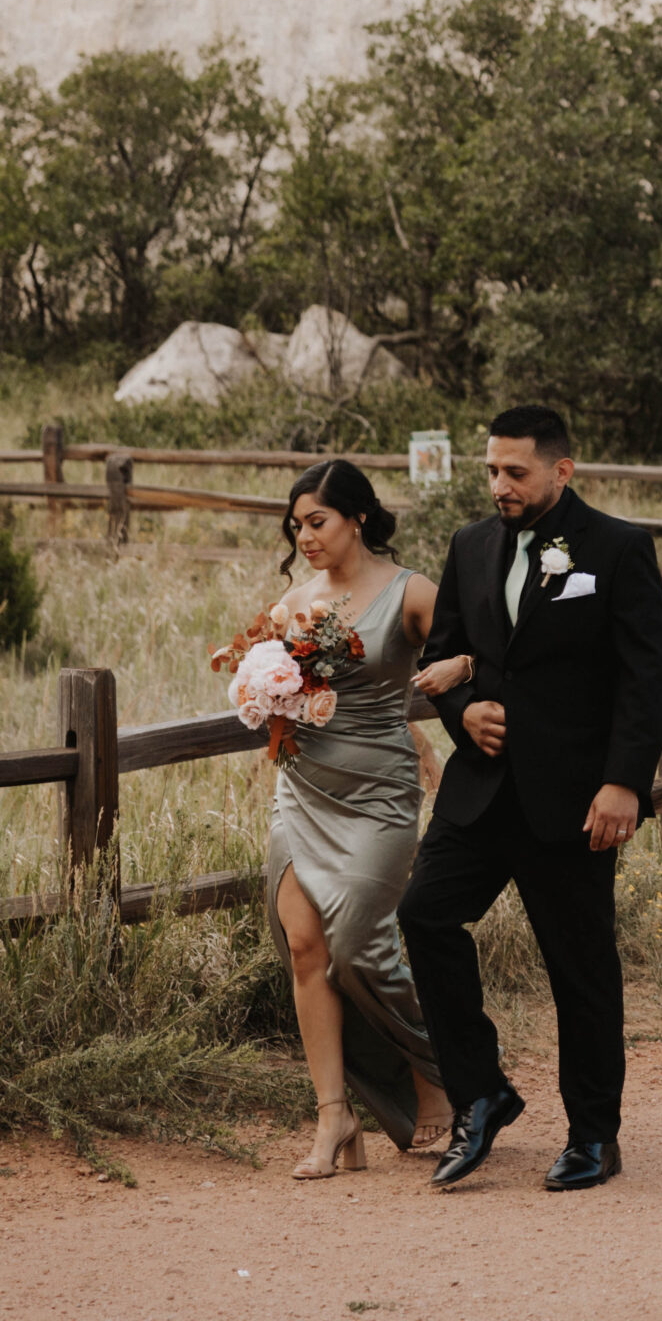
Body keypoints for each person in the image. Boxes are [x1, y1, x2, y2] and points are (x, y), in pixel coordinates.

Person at [398, 404, 662, 1192]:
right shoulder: (470, 544)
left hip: (577, 796)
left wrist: (623, 781)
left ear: (563, 470)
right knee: (424, 914)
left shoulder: (617, 549)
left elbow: (644, 675)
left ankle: (593, 1134)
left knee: (578, 968)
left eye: (515, 471)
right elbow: (448, 649)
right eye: (491, 470)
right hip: (481, 792)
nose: (499, 485)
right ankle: (482, 1093)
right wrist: (464, 711)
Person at [266, 458, 452, 1179]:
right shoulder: (294, 606)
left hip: (378, 794)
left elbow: (466, 661)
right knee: (306, 947)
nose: (304, 537)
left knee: (359, 942)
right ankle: (333, 1116)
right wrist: (263, 699)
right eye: (296, 527)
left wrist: (443, 716)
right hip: (302, 789)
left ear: (359, 518)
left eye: (317, 522)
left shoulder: (412, 593)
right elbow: (293, 697)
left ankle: (440, 1074)